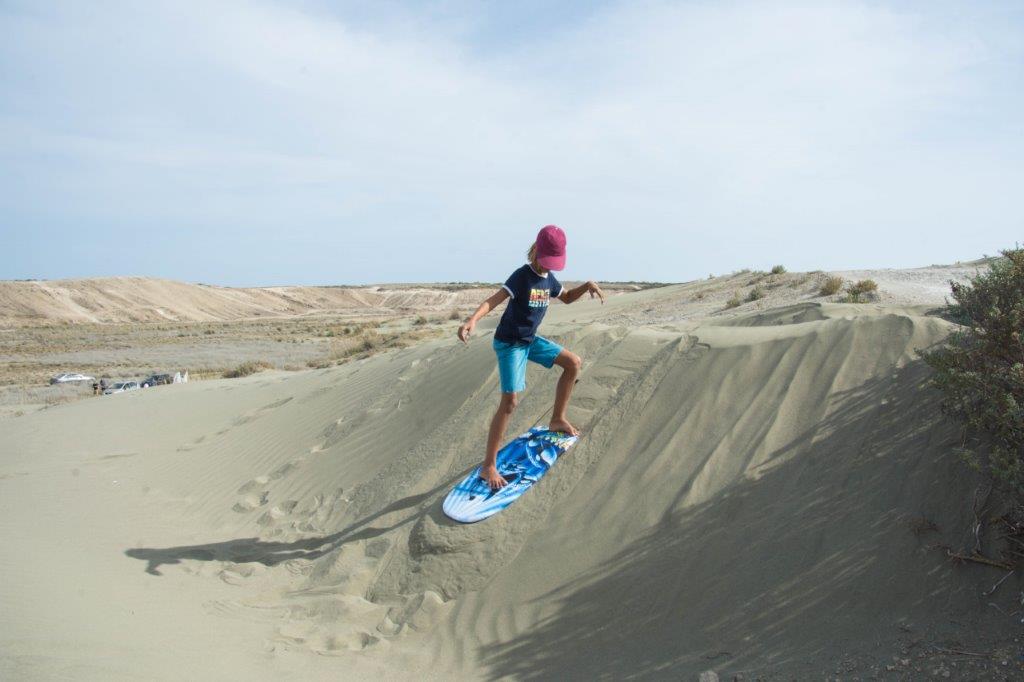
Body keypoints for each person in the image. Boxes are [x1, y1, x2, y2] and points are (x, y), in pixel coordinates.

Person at [458, 225, 605, 489]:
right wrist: (472, 320)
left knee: (573, 363)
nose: (549, 266)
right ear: (536, 250)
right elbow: (494, 299)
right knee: (510, 402)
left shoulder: (549, 279)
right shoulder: (521, 276)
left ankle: (557, 418)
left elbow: (568, 298)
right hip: (510, 344)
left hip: (530, 341)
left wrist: (587, 286)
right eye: (546, 259)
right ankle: (488, 466)